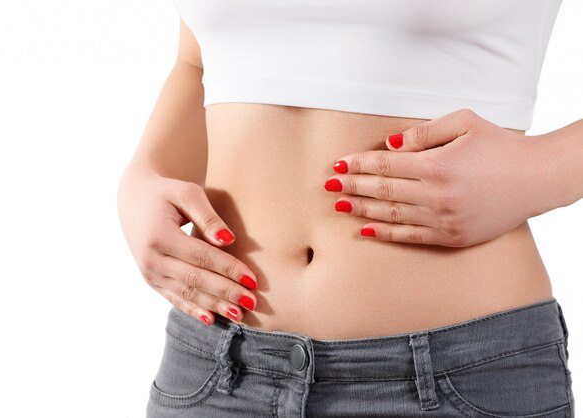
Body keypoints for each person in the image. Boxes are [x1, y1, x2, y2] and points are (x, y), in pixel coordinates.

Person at [117, 1, 579, 416]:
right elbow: (196, 61)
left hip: (455, 374)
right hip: (218, 370)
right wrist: (143, 177)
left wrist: (539, 171)